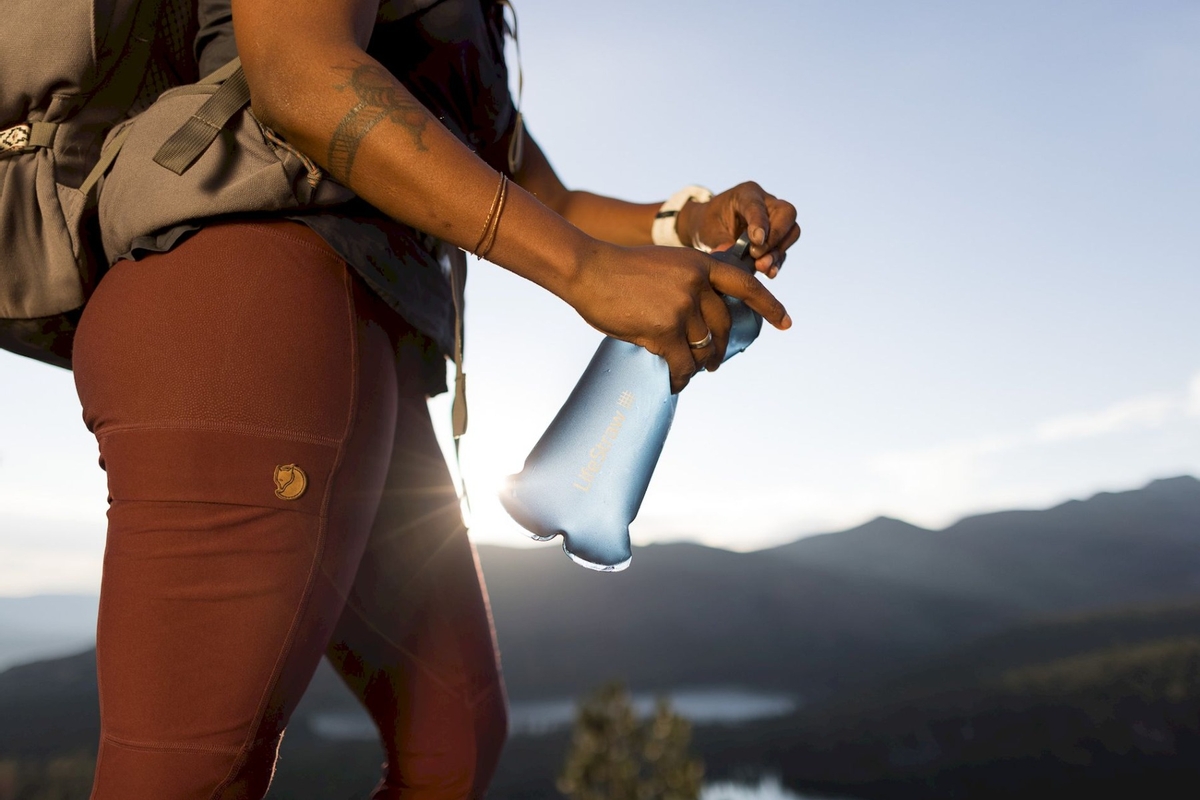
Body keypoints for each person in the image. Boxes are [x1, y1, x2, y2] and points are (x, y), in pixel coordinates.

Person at [71, 0, 800, 797]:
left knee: (453, 737)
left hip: (364, 340)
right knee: (190, 775)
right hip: (248, 310)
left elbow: (538, 192)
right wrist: (584, 271)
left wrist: (687, 222)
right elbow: (297, 68)